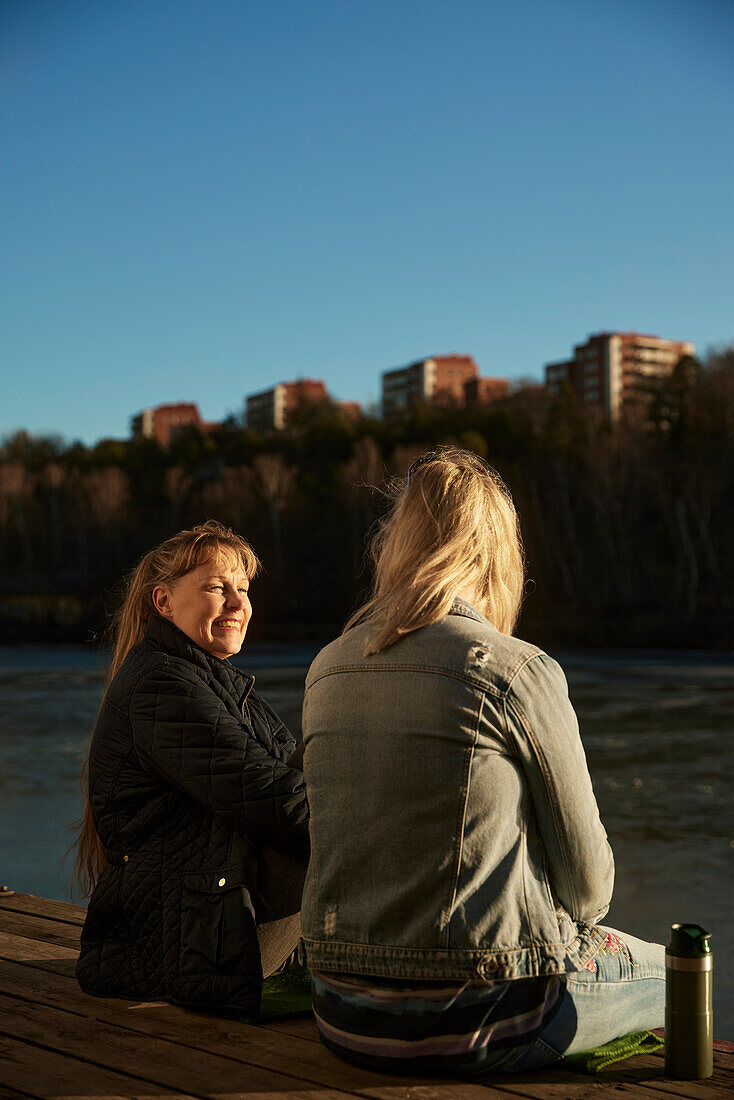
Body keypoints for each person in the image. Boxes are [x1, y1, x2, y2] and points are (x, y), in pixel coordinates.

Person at [299, 448, 664, 1076]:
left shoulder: (325, 668)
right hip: (481, 1018)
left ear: (397, 546)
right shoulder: (512, 669)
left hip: (340, 1012)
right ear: (497, 556)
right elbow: (590, 887)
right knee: (678, 970)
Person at [74, 520, 309, 1017]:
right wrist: (378, 817)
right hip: (186, 943)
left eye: (242, 589)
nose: (237, 604)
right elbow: (273, 801)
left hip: (209, 922)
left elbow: (289, 780)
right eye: (215, 587)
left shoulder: (214, 682)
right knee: (347, 755)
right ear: (163, 602)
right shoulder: (161, 686)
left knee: (335, 753)